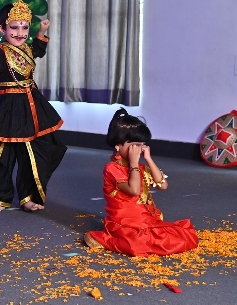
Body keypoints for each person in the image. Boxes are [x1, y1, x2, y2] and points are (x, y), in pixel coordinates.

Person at [0, 0, 67, 213]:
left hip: (31, 105)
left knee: (32, 152)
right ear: (2, 29)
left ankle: (28, 197)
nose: (20, 33)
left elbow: (40, 50)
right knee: (0, 153)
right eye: (14, 28)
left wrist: (41, 32)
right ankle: (1, 197)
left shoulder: (29, 49)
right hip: (5, 107)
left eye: (25, 28)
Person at [84, 108, 199, 256]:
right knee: (137, 246)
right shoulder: (112, 168)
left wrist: (149, 159)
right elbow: (133, 190)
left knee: (183, 237)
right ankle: (101, 239)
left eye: (141, 145)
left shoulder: (141, 167)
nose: (138, 150)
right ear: (118, 145)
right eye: (134, 145)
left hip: (145, 220)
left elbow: (163, 185)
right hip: (123, 223)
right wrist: (133, 163)